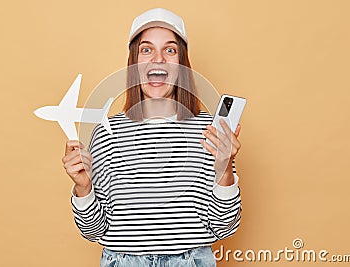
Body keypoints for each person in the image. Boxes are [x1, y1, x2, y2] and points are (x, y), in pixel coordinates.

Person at [62, 8, 242, 267]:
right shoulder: (106, 133)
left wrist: (224, 171)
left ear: (181, 64)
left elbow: (224, 229)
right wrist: (83, 187)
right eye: (146, 50)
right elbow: (93, 231)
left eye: (170, 50)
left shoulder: (210, 130)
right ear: (134, 63)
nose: (158, 58)